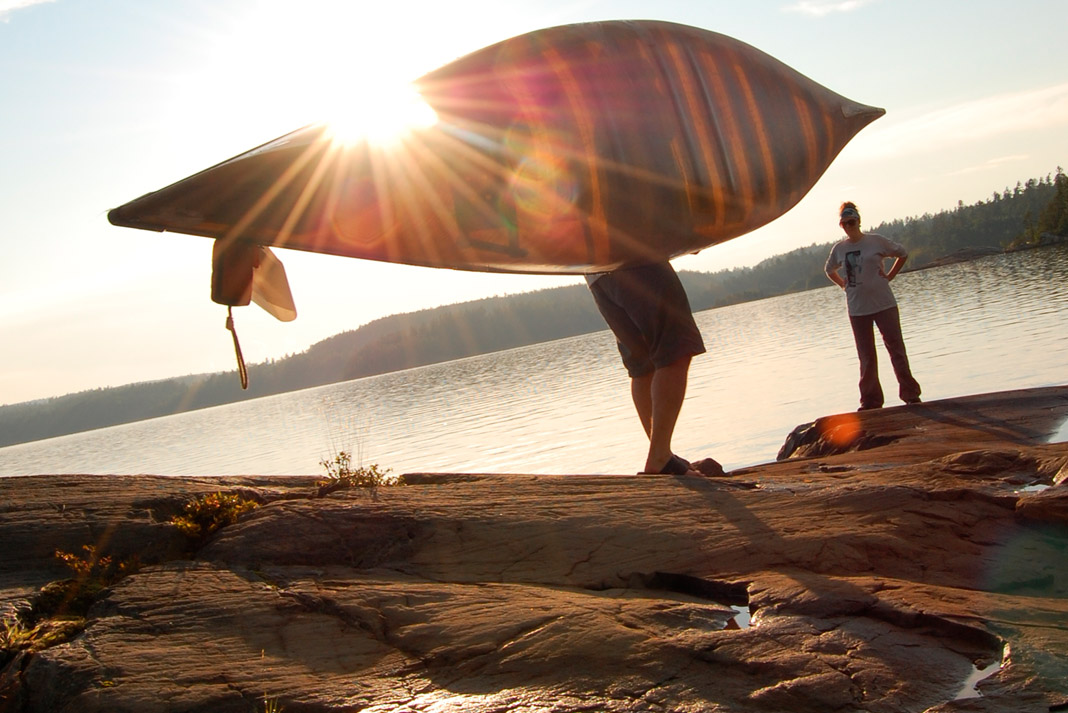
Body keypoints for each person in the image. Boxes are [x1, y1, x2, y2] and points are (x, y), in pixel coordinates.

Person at [586, 261, 706, 474]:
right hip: (636, 261)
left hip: (597, 275)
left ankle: (660, 453)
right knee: (675, 350)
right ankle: (660, 457)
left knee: (643, 365)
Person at [825, 201, 922, 410]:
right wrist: (843, 285)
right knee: (866, 357)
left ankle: (910, 395)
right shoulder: (839, 249)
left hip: (884, 304)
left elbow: (902, 253)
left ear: (859, 221)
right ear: (841, 226)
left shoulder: (876, 242)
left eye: (852, 222)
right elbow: (829, 269)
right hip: (858, 309)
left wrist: (890, 276)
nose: (849, 227)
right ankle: (871, 401)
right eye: (845, 224)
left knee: (896, 349)